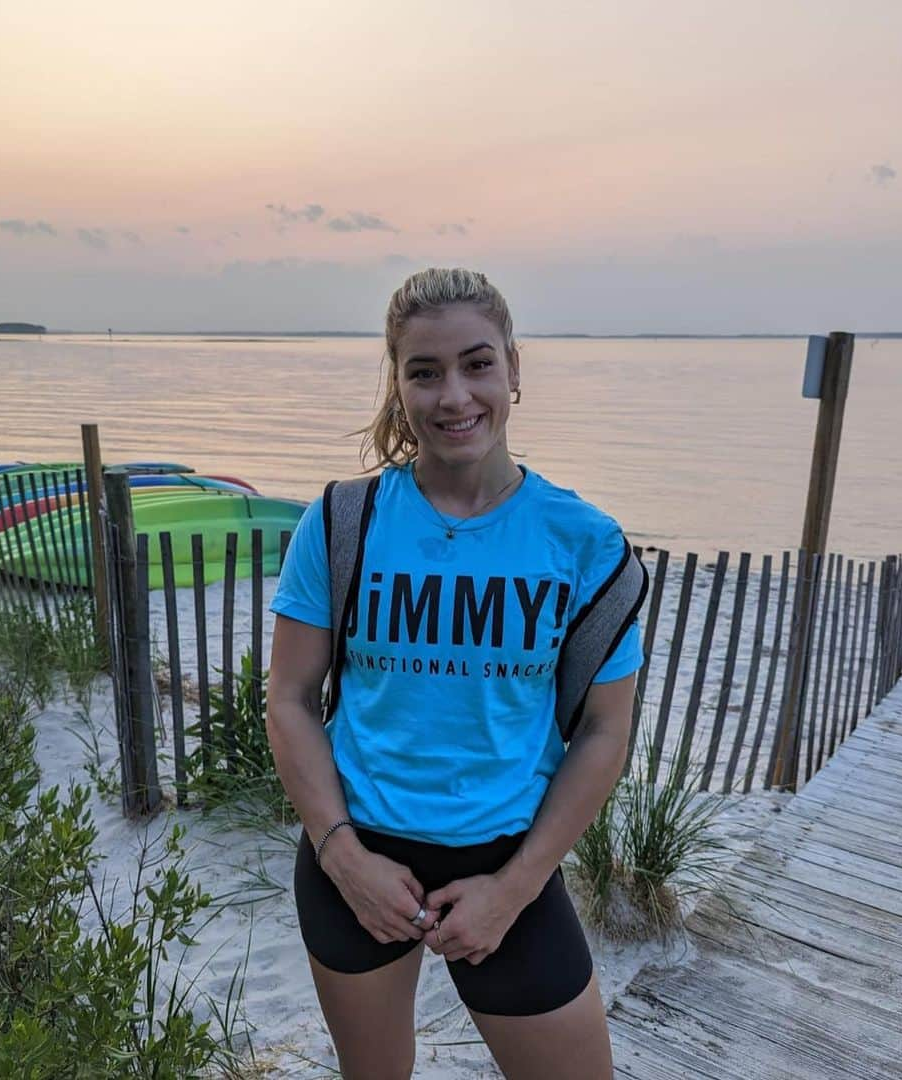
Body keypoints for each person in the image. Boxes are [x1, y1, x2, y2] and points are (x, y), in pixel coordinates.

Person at [267, 267, 644, 1079]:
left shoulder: (586, 544)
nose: (454, 396)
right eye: (424, 372)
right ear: (398, 384)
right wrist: (344, 861)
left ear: (515, 368)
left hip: (509, 862)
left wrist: (513, 889)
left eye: (477, 364)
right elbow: (292, 698)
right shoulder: (342, 521)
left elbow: (605, 730)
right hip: (355, 858)